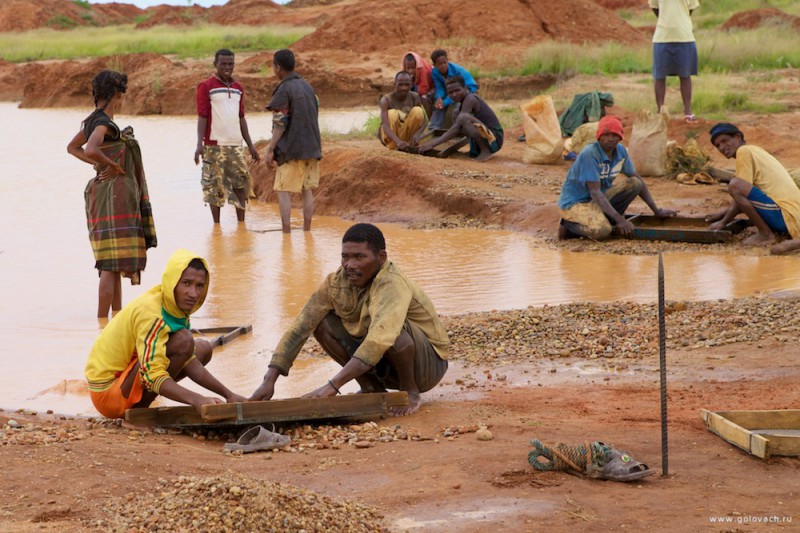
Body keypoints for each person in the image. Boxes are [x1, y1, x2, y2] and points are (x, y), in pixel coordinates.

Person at [250, 223, 450, 416]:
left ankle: (410, 392)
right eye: (345, 257)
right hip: (383, 363)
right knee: (321, 322)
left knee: (392, 329)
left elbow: (380, 339)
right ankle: (371, 387)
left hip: (427, 367)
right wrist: (269, 379)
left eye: (359, 257)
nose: (350, 265)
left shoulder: (392, 283)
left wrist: (332, 386)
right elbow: (299, 328)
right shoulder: (335, 283)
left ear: (381, 258)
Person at [85, 249, 246, 419]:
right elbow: (151, 375)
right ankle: (139, 414)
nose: (193, 293)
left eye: (199, 286)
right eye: (186, 283)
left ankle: (141, 403)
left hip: (127, 376)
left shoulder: (174, 306)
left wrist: (229, 395)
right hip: (107, 394)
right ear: (172, 282)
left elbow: (188, 361)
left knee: (203, 348)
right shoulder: (152, 313)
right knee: (184, 340)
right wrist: (197, 399)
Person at [67, 70, 157, 318]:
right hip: (114, 195)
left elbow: (73, 148)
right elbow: (93, 148)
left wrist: (99, 165)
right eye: (121, 95)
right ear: (115, 95)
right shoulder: (104, 122)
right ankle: (102, 321)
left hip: (102, 194)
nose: (121, 100)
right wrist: (112, 165)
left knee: (113, 262)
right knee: (109, 264)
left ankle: (115, 318)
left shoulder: (91, 120)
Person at [557, 115, 676, 240]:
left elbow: (636, 177)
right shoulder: (590, 154)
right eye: (606, 135)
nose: (610, 139)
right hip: (576, 203)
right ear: (599, 136)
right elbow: (595, 192)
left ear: (620, 137)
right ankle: (569, 225)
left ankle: (607, 217)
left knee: (635, 183)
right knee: (603, 231)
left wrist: (656, 210)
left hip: (599, 199)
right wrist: (620, 220)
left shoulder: (620, 151)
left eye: (614, 135)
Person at [707, 123, 800, 249]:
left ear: (738, 137)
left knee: (735, 184)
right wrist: (722, 213)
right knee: (738, 186)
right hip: (794, 216)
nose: (722, 147)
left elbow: (739, 191)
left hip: (784, 216)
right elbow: (748, 198)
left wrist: (723, 222)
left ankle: (766, 235)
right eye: (718, 145)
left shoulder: (743, 151)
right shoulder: (756, 150)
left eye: (725, 141)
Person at [194, 49, 260, 224]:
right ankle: (217, 226)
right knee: (214, 187)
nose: (227, 67)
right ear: (215, 64)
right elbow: (202, 116)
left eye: (230, 64)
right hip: (214, 145)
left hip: (236, 145)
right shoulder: (206, 86)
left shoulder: (238, 88)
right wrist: (199, 144)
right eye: (223, 64)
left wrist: (251, 146)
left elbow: (241, 118)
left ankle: (241, 224)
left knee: (241, 184)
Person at [265, 49, 322, 233]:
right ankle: (307, 230)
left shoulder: (284, 89)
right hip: (312, 147)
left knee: (283, 190)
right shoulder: (307, 86)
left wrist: (270, 148)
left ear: (277, 67)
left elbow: (280, 123)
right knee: (307, 191)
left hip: (292, 149)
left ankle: (286, 233)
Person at [418, 75, 503, 162]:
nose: (454, 94)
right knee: (456, 115)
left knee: (463, 118)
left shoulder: (470, 99)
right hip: (488, 136)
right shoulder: (461, 104)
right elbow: (457, 128)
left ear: (465, 88)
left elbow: (457, 127)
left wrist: (433, 144)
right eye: (450, 92)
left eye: (457, 90)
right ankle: (477, 149)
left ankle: (486, 151)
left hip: (495, 139)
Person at [650, 0, 699, 123]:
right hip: (662, 37)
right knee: (659, 76)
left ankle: (687, 111)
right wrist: (665, 21)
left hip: (684, 36)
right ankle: (660, 110)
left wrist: (680, 20)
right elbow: (655, 8)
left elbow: (690, 9)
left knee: (685, 75)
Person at [429, 49, 478, 130]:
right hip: (453, 92)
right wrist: (439, 98)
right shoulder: (435, 72)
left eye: (444, 62)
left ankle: (457, 129)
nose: (443, 65)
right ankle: (434, 128)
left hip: (467, 90)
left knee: (457, 108)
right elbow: (440, 87)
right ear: (434, 65)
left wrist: (445, 102)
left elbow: (461, 91)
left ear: (447, 61)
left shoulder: (457, 71)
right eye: (439, 64)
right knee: (438, 106)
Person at [379, 71, 427, 151]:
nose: (404, 88)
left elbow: (425, 120)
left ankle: (409, 144)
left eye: (407, 85)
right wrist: (398, 142)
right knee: (391, 114)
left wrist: (417, 134)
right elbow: (385, 125)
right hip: (392, 138)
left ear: (411, 85)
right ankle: (393, 146)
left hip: (407, 137)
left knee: (418, 111)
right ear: (395, 85)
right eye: (400, 85)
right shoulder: (386, 100)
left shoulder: (415, 96)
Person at [401, 51, 434, 118]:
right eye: (408, 68)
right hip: (417, 88)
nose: (410, 71)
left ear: (417, 66)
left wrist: (412, 86)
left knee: (424, 98)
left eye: (413, 68)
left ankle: (428, 120)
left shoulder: (422, 70)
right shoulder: (404, 72)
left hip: (432, 87)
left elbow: (425, 89)